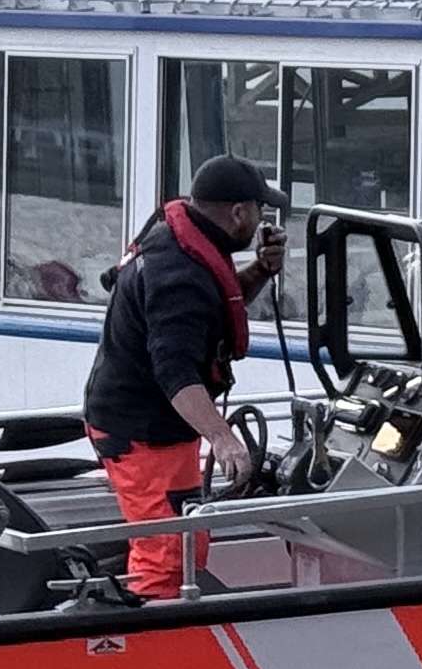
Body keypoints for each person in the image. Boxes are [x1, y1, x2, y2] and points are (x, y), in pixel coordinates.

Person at [82, 155, 287, 601]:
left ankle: (166, 614)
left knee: (185, 540)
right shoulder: (178, 274)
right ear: (239, 212)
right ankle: (154, 634)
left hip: (160, 427)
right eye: (259, 210)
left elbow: (215, 305)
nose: (261, 221)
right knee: (168, 554)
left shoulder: (181, 239)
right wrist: (223, 438)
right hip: (141, 432)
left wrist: (260, 271)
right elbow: (174, 369)